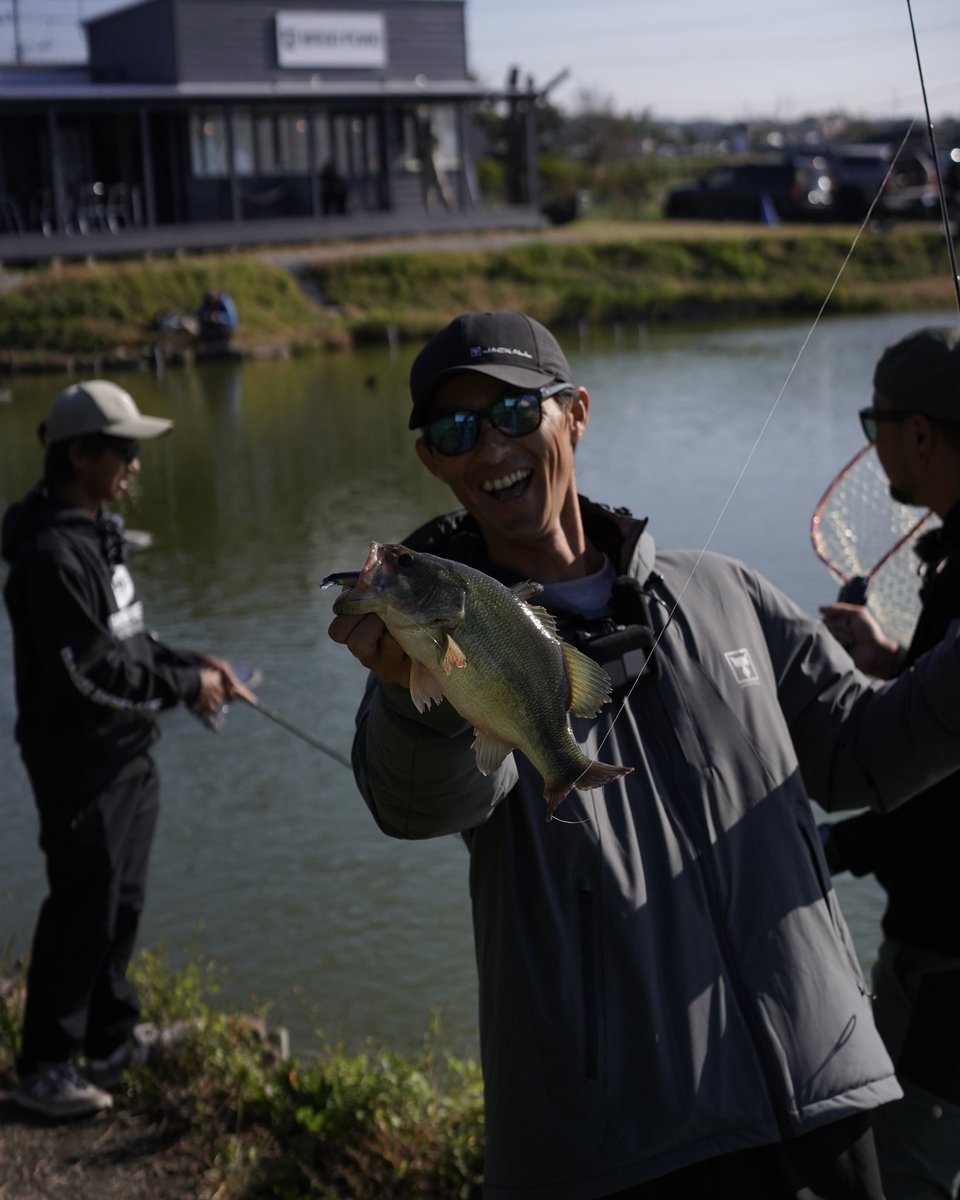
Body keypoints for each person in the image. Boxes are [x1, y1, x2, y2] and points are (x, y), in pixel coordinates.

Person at [327, 309, 960, 1200]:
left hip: (818, 1107)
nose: (489, 448)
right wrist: (415, 698)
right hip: (613, 1153)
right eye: (456, 431)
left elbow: (864, 756)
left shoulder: (725, 591)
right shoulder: (435, 636)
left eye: (514, 414)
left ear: (575, 413)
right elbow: (418, 803)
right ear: (432, 458)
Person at [2, 379, 247, 1119]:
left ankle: (111, 1041)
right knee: (83, 905)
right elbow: (91, 673)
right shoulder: (49, 554)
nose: (135, 464)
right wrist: (183, 687)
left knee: (121, 901)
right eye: (125, 450)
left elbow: (130, 640)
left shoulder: (94, 530)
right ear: (82, 454)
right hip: (80, 763)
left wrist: (199, 662)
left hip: (126, 754)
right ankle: (44, 1066)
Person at [820, 326, 960, 1200]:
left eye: (876, 424)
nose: (873, 448)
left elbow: (943, 800)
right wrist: (891, 662)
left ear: (918, 433)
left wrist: (832, 848)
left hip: (948, 954)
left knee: (904, 1173)